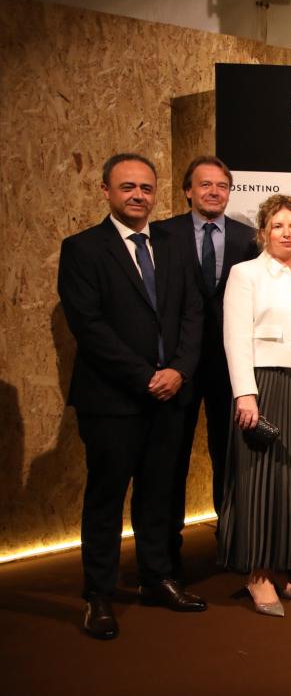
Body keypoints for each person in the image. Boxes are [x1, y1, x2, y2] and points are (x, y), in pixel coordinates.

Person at [58, 153, 208, 639]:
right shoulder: (82, 249)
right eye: (127, 187)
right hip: (113, 400)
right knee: (106, 497)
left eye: (146, 187)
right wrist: (147, 375)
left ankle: (156, 578)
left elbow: (193, 313)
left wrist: (180, 371)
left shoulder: (174, 244)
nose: (138, 195)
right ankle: (98, 594)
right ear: (106, 191)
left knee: (160, 494)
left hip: (171, 396)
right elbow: (90, 327)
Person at [220, 194, 291, 617]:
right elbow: (235, 338)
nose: (287, 233)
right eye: (278, 226)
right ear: (264, 231)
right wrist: (245, 393)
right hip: (266, 383)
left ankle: (284, 566)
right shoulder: (246, 274)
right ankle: (258, 573)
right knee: (260, 478)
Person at [153, 155, 258, 564]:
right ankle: (165, 553)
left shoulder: (249, 239)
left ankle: (229, 543)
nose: (214, 192)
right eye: (205, 185)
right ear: (187, 191)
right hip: (177, 366)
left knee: (229, 457)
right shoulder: (162, 236)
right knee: (171, 457)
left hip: (229, 366)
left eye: (221, 186)